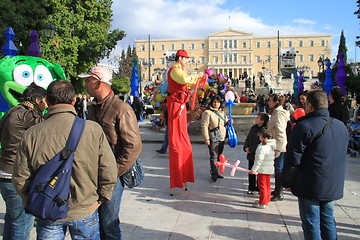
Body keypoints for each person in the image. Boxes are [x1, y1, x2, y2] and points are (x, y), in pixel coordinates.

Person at [12, 80, 117, 239]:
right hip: (85, 209)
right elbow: (109, 170)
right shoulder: (93, 130)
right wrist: (101, 199)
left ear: (47, 100)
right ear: (74, 100)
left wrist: (34, 201)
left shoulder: (32, 134)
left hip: (47, 211)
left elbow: (20, 177)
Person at [80, 65, 142, 239]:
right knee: (96, 222)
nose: (85, 84)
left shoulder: (121, 109)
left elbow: (133, 147)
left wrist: (113, 171)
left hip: (113, 175)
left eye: (88, 80)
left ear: (98, 82)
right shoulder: (93, 107)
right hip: (94, 173)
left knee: (109, 224)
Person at [282, 89, 348, 240]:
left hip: (310, 183)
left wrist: (287, 181)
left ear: (310, 106)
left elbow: (293, 158)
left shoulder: (305, 126)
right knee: (328, 220)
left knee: (311, 222)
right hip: (331, 182)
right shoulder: (340, 126)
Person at [0, 83, 47, 240]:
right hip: (18, 173)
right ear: (37, 100)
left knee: (12, 219)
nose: (47, 103)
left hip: (4, 170)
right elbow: (44, 137)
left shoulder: (11, 112)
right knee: (22, 223)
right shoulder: (30, 115)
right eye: (45, 100)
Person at [167, 49, 203, 194]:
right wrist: (197, 76)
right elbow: (185, 80)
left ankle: (184, 176)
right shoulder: (174, 70)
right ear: (180, 58)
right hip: (175, 105)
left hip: (181, 105)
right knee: (176, 141)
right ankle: (176, 179)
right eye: (186, 58)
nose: (188, 61)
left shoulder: (180, 70)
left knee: (184, 142)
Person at [267, 93, 290, 201]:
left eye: (270, 100)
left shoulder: (279, 113)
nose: (268, 102)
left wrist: (279, 147)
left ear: (276, 102)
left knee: (279, 169)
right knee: (277, 168)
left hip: (279, 144)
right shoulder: (275, 112)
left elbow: (281, 131)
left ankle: (279, 193)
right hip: (275, 143)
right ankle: (276, 190)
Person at [201, 95, 227, 182]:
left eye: (218, 102)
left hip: (222, 136)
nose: (216, 104)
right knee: (213, 156)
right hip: (213, 136)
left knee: (219, 155)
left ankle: (216, 170)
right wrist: (206, 138)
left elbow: (225, 122)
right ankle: (214, 173)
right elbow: (204, 126)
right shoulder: (207, 113)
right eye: (214, 102)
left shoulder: (222, 112)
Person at [243, 112, 269, 195]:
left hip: (258, 154)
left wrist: (251, 149)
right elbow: (248, 138)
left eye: (258, 118)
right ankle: (251, 187)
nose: (256, 119)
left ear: (262, 121)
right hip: (251, 154)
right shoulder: (253, 128)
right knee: (251, 171)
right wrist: (246, 147)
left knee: (258, 171)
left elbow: (260, 143)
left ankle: (259, 188)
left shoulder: (264, 130)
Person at [250, 129, 276, 209]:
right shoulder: (271, 146)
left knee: (262, 186)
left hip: (262, 169)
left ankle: (262, 202)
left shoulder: (262, 147)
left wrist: (254, 169)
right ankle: (266, 199)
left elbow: (259, 160)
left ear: (265, 138)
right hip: (268, 168)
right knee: (267, 185)